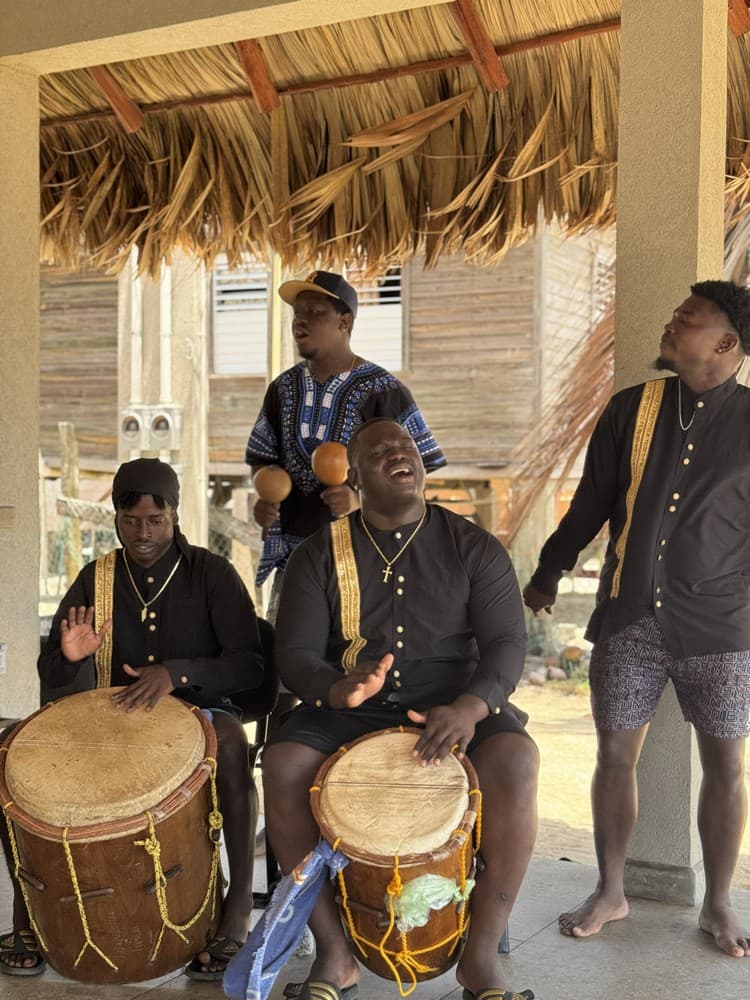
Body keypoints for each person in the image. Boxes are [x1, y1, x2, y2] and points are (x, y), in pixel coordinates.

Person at [263, 418, 539, 1000]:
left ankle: (482, 960)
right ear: (355, 477)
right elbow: (294, 655)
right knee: (285, 763)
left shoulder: (473, 546)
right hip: (352, 705)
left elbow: (508, 646)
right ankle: (335, 957)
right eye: (381, 450)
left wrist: (470, 707)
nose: (400, 454)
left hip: (452, 704)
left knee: (515, 759)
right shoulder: (319, 555)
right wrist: (339, 690)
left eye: (407, 447)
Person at [523, 280, 750, 958]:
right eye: (675, 312)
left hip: (723, 628)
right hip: (629, 621)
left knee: (727, 767)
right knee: (615, 758)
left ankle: (717, 901)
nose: (672, 323)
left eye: (689, 318)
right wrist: (546, 572)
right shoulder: (632, 409)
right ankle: (611, 888)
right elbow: (590, 505)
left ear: (727, 343)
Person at [0, 458, 265, 980]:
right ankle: (26, 914)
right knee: (9, 746)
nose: (144, 533)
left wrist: (176, 674)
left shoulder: (211, 574)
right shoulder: (94, 579)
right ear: (116, 518)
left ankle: (235, 909)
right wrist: (73, 659)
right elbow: (53, 674)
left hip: (195, 714)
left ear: (175, 515)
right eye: (131, 520)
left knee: (231, 739)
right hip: (104, 726)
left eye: (156, 520)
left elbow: (249, 664)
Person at [245, 270, 445, 618]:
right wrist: (263, 501)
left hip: (366, 554)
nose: (300, 321)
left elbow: (417, 473)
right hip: (296, 556)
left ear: (344, 320)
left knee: (358, 654)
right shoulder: (282, 389)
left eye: (315, 312)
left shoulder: (385, 390)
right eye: (296, 314)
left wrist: (359, 500)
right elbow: (264, 460)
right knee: (290, 654)